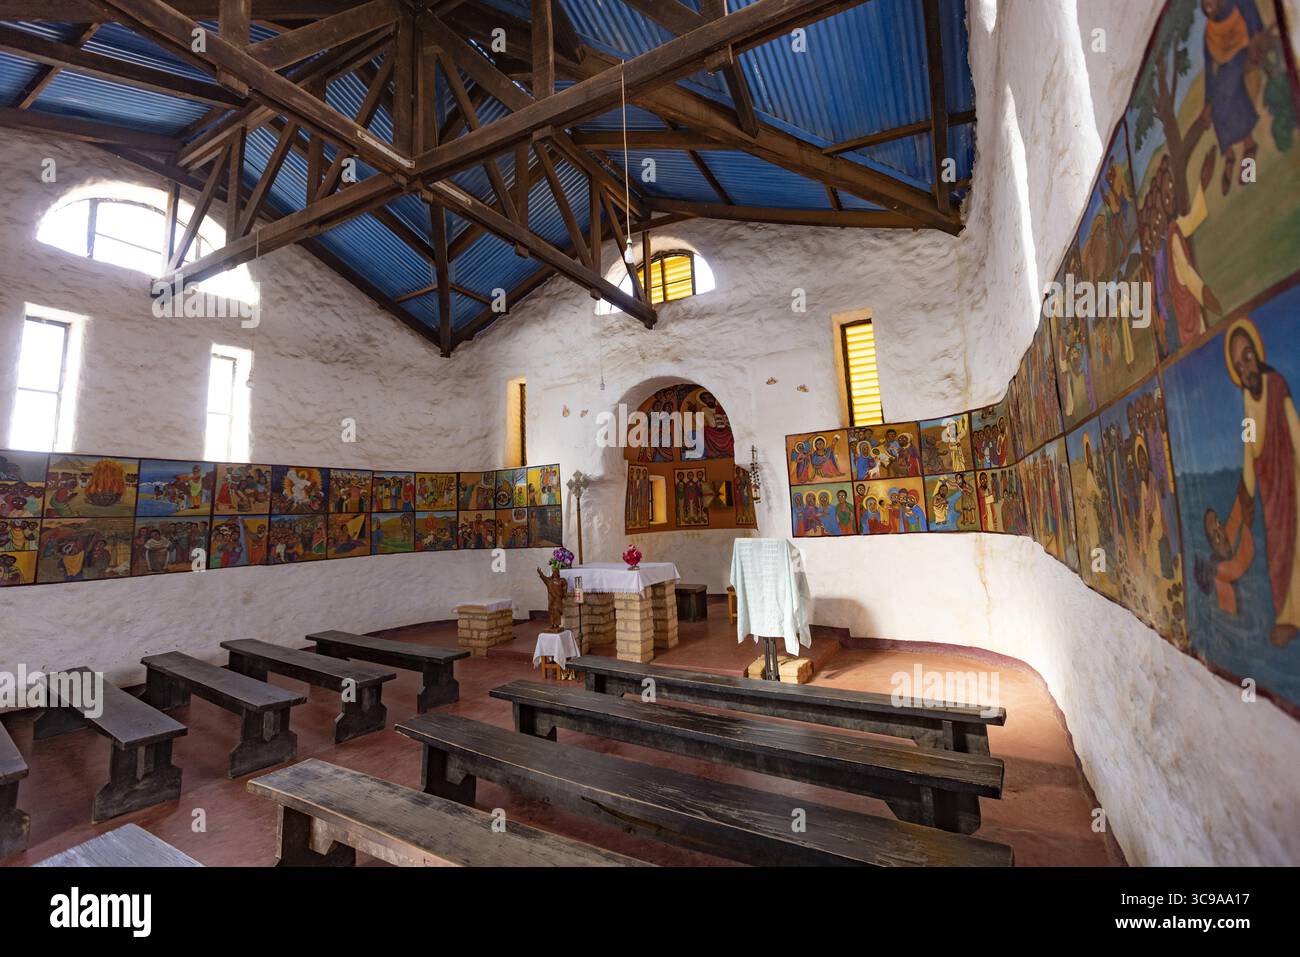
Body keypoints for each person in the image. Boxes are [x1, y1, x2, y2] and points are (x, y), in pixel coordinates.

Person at [1214, 317, 1299, 646]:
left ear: (1257, 353)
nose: (1246, 369)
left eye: (1247, 357)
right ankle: (1288, 617)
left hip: (1291, 481)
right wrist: (1247, 491)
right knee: (1279, 551)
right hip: (1268, 487)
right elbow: (1251, 448)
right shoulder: (1248, 399)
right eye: (1239, 365)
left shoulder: (1276, 385)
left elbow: (1293, 431)